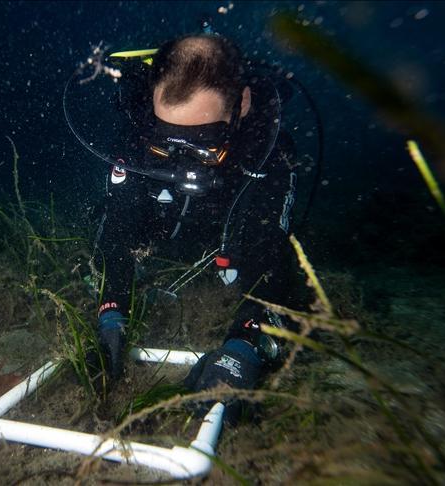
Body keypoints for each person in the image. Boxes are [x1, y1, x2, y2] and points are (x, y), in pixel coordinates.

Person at [88, 34, 310, 420]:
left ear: (241, 105)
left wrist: (245, 342)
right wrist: (111, 311)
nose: (182, 165)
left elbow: (270, 253)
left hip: (229, 244)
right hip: (162, 238)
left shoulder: (268, 151)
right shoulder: (138, 131)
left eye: (204, 146)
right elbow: (118, 231)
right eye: (166, 145)